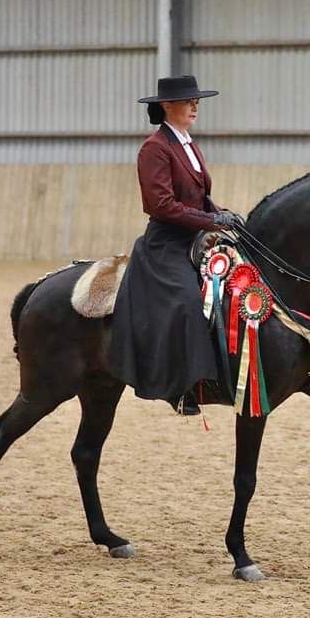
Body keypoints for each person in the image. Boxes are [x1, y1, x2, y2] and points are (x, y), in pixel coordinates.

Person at [110, 75, 240, 415]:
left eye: (197, 100)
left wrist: (223, 214)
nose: (195, 105)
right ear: (167, 106)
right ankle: (182, 386)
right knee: (186, 301)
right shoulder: (155, 148)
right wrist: (212, 221)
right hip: (166, 245)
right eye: (188, 100)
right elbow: (161, 205)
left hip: (196, 237)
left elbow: (199, 197)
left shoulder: (188, 143)